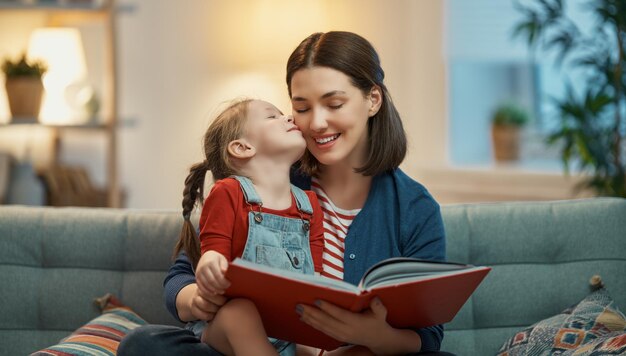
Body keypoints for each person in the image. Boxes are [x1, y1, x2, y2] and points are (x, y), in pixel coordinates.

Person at [119, 31, 451, 356]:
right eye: (302, 108)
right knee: (145, 344)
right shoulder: (266, 177)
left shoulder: (414, 208)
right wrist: (197, 299)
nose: (317, 123)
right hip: (254, 345)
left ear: (372, 100)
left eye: (334, 103)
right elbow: (181, 277)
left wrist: (376, 337)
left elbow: (428, 337)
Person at [173, 98, 325, 356]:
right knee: (240, 313)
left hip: (288, 330)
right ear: (242, 147)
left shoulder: (309, 204)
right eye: (272, 116)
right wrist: (210, 264)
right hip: (227, 328)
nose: (288, 118)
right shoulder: (228, 192)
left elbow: (315, 277)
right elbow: (213, 251)